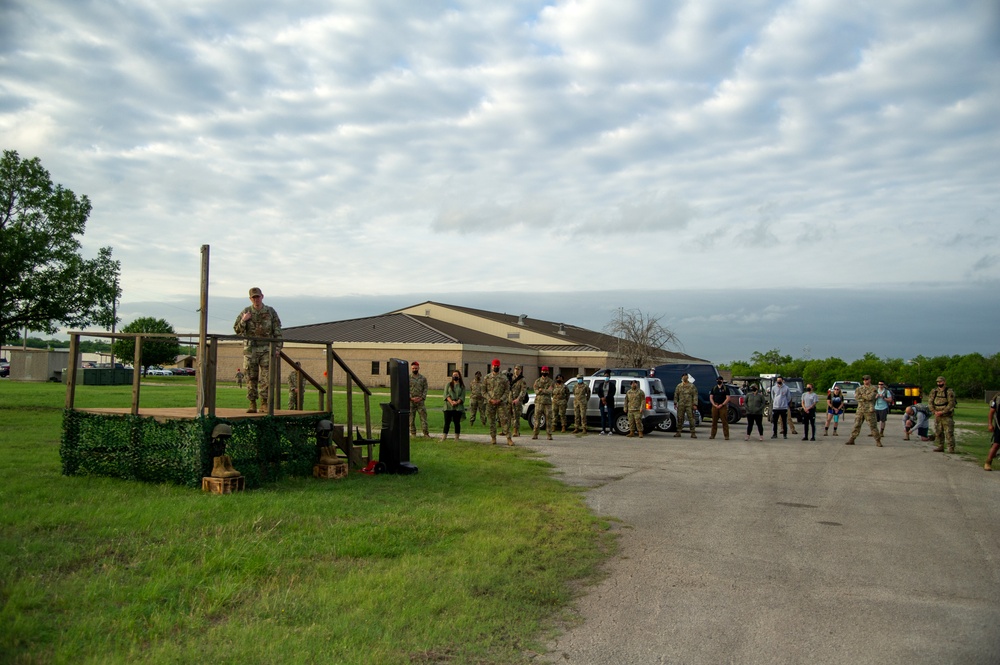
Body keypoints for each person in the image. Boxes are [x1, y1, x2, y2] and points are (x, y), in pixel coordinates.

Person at [233, 287, 282, 413]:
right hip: (251, 350)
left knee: (266, 378)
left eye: (258, 297)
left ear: (262, 296)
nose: (256, 299)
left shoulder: (270, 312)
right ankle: (252, 403)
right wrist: (244, 320)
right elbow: (237, 330)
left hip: (266, 349)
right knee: (250, 377)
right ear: (250, 299)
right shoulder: (246, 311)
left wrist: (277, 348)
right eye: (253, 297)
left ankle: (264, 403)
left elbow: (277, 330)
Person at [846, 375, 882, 446]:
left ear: (870, 380)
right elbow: (856, 397)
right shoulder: (859, 388)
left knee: (873, 426)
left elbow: (870, 397)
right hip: (860, 409)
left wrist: (862, 396)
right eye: (864, 380)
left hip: (869, 410)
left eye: (867, 379)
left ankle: (878, 440)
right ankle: (852, 439)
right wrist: (864, 396)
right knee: (856, 425)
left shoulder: (873, 388)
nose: (865, 381)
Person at [485, 359, 513, 445]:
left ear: (499, 366)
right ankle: (493, 438)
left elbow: (507, 391)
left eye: (497, 366)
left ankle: (509, 438)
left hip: (501, 402)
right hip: (490, 403)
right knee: (492, 421)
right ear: (492, 366)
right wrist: (490, 399)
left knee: (504, 420)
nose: (496, 367)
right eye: (494, 366)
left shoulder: (504, 378)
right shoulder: (487, 378)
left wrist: (500, 399)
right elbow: (483, 391)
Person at [928, 375, 957, 453]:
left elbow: (951, 404)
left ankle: (951, 448)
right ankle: (940, 446)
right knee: (938, 432)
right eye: (937, 382)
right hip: (937, 415)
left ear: (944, 382)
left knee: (949, 432)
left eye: (940, 382)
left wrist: (943, 412)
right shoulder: (934, 391)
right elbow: (930, 402)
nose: (939, 383)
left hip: (946, 415)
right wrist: (934, 411)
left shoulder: (949, 392)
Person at [532, 366, 556, 440]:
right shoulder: (537, 381)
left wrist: (541, 390)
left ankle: (549, 434)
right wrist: (542, 390)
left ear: (548, 372)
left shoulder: (551, 381)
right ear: (541, 371)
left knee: (549, 419)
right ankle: (535, 434)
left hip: (547, 403)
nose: (544, 372)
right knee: (537, 419)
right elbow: (535, 390)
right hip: (539, 403)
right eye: (543, 371)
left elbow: (550, 391)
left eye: (546, 371)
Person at [442, 371, 465, 441]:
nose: (455, 376)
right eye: (454, 375)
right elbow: (446, 394)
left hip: (458, 407)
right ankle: (444, 437)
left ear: (459, 376)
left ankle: (456, 438)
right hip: (448, 406)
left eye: (456, 375)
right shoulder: (448, 385)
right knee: (447, 423)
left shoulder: (462, 386)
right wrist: (451, 402)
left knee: (457, 423)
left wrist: (457, 402)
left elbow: (462, 396)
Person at [408, 361, 429, 437]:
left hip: (420, 402)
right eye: (413, 368)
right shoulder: (408, 378)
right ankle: (413, 434)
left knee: (423, 418)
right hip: (411, 402)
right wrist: (411, 398)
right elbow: (406, 389)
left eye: (416, 368)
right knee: (411, 419)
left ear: (418, 368)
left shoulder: (423, 378)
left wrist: (422, 398)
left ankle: (426, 433)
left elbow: (425, 388)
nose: (414, 369)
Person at [673, 373, 698, 438]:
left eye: (686, 377)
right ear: (682, 378)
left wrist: (695, 404)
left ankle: (693, 433)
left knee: (691, 418)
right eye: (683, 377)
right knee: (680, 418)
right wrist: (675, 403)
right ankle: (678, 432)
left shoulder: (692, 386)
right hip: (681, 404)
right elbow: (676, 394)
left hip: (689, 404)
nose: (684, 378)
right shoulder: (679, 386)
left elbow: (695, 395)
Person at [509, 365, 528, 437]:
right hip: (510, 399)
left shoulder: (522, 380)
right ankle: (506, 430)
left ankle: (516, 431)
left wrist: (518, 399)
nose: (516, 370)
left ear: (521, 371)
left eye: (518, 369)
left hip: (517, 400)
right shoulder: (510, 378)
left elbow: (523, 391)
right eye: (515, 369)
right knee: (508, 415)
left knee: (516, 416)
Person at [598, 370, 617, 435]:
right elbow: (599, 392)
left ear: (609, 377)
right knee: (603, 417)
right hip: (602, 403)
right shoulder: (601, 384)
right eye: (605, 376)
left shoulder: (612, 385)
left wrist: (606, 398)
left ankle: (610, 430)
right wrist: (602, 398)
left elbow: (612, 393)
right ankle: (603, 430)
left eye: (607, 376)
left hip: (609, 402)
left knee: (610, 416)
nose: (606, 377)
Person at [986, 393, 999, 471]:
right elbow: (991, 412)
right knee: (996, 444)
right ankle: (988, 462)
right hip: (999, 425)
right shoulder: (997, 398)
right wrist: (990, 424)